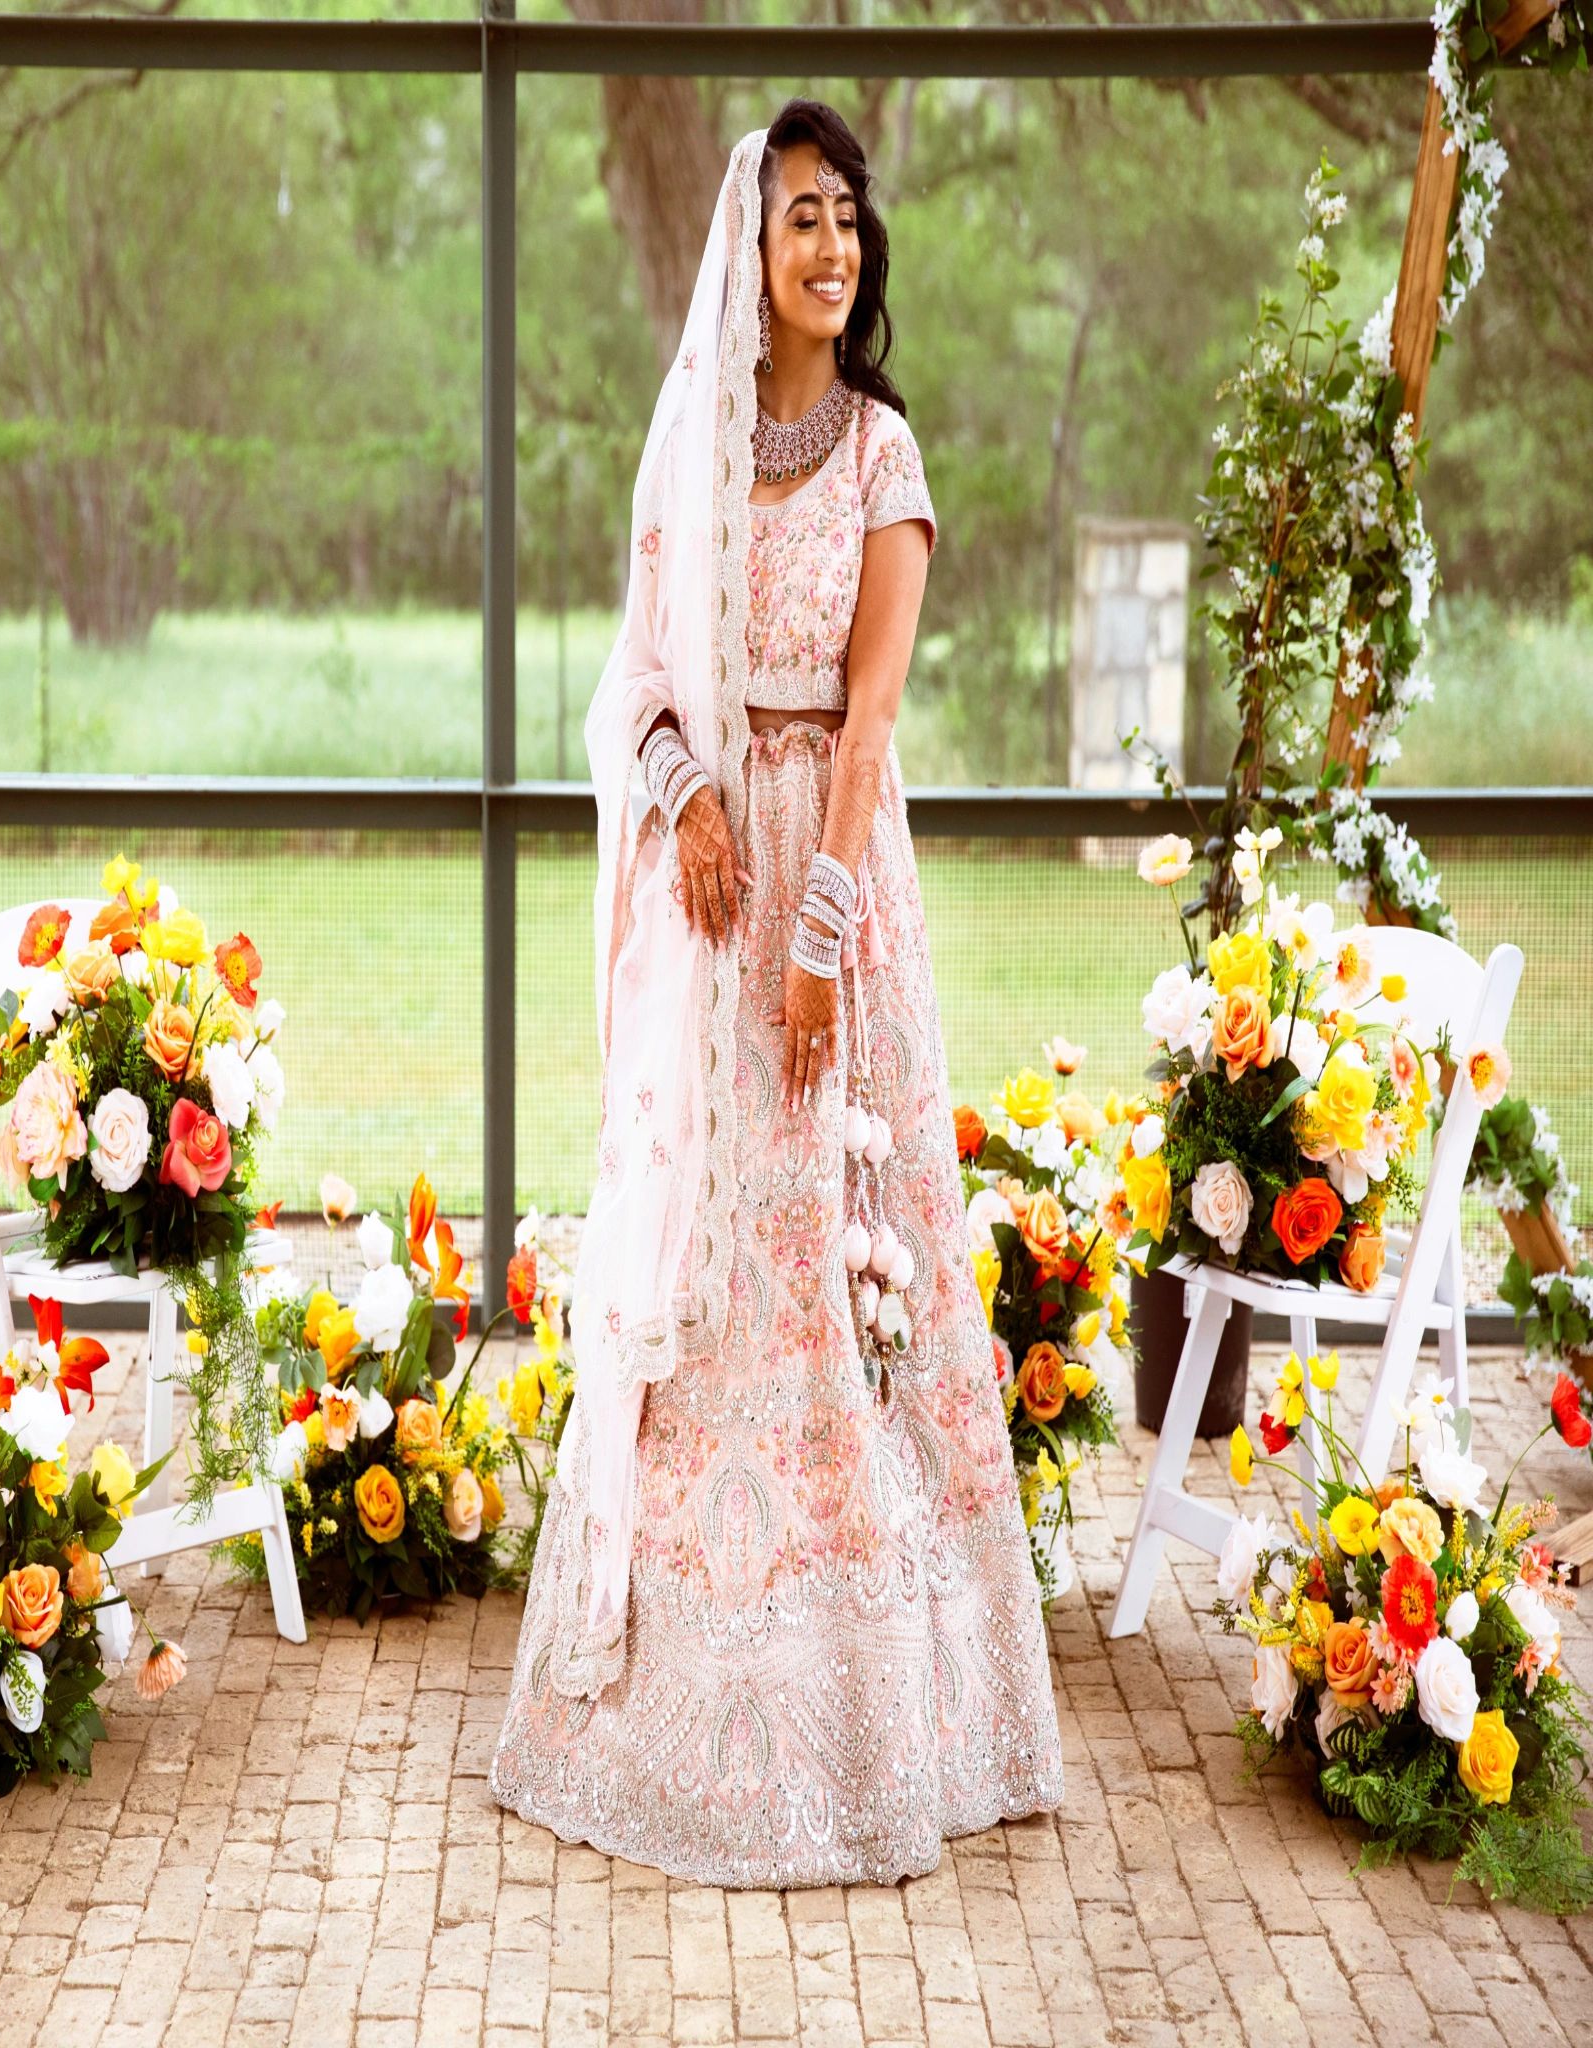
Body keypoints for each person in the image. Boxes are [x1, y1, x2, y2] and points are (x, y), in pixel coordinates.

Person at [488, 101, 1063, 1887]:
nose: (831, 247)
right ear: (753, 251)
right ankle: (682, 1695)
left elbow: (873, 720)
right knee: (726, 1272)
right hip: (716, 902)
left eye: (848, 220)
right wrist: (685, 804)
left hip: (837, 902)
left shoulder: (886, 456)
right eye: (801, 220)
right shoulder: (697, 454)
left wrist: (816, 937)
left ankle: (887, 1711)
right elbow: (637, 686)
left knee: (846, 1248)